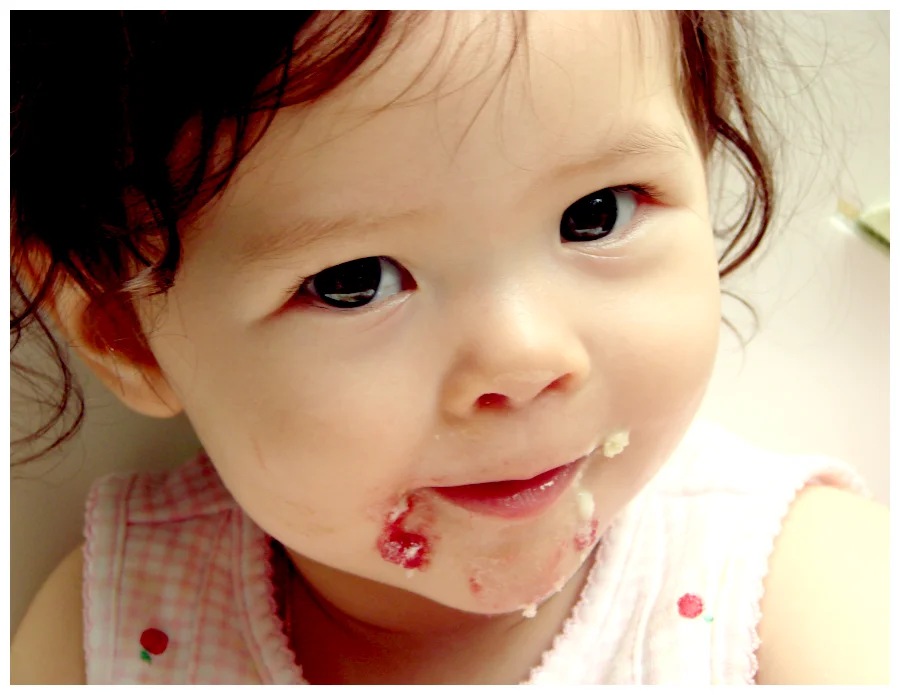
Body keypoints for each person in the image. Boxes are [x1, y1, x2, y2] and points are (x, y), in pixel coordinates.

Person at [9, 10, 888, 685]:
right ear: (128, 333)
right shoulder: (111, 628)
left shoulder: (797, 598)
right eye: (354, 280)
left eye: (596, 214)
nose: (525, 361)